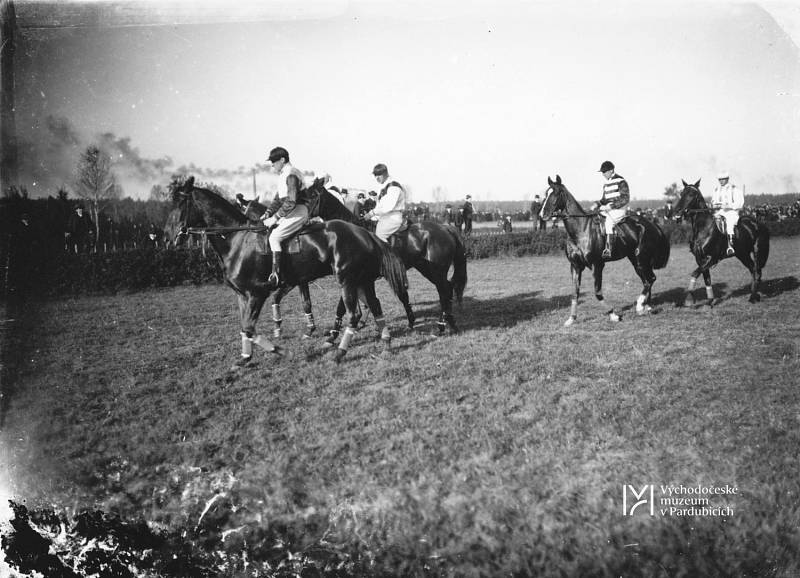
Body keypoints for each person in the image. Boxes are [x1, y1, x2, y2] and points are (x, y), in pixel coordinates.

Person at [261, 147, 309, 286]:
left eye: (274, 162)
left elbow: (291, 201)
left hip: (298, 210)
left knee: (274, 237)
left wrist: (275, 218)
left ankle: (276, 275)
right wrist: (268, 213)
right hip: (290, 211)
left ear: (282, 160)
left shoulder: (291, 173)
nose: (272, 165)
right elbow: (278, 198)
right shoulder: (283, 174)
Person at [593, 160, 630, 258]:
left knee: (609, 223)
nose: (603, 174)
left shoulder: (621, 181)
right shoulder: (606, 183)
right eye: (602, 172)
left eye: (605, 172)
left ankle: (608, 249)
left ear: (611, 170)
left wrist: (610, 206)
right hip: (608, 209)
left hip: (619, 209)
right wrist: (596, 204)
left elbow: (625, 198)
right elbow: (604, 199)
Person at [365, 163, 406, 242]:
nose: (377, 178)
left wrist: (372, 213)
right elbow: (380, 206)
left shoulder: (393, 186)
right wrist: (372, 216)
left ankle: (389, 255)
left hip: (393, 218)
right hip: (385, 217)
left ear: (385, 174)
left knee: (379, 236)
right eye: (375, 175)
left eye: (379, 175)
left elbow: (388, 207)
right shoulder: (383, 186)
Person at [711, 170, 744, 256]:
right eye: (719, 179)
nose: (721, 181)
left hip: (731, 212)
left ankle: (730, 246)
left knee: (729, 223)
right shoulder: (716, 190)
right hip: (720, 211)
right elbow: (713, 201)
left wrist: (729, 206)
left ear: (727, 179)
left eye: (723, 179)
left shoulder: (734, 189)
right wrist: (715, 205)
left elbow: (740, 203)